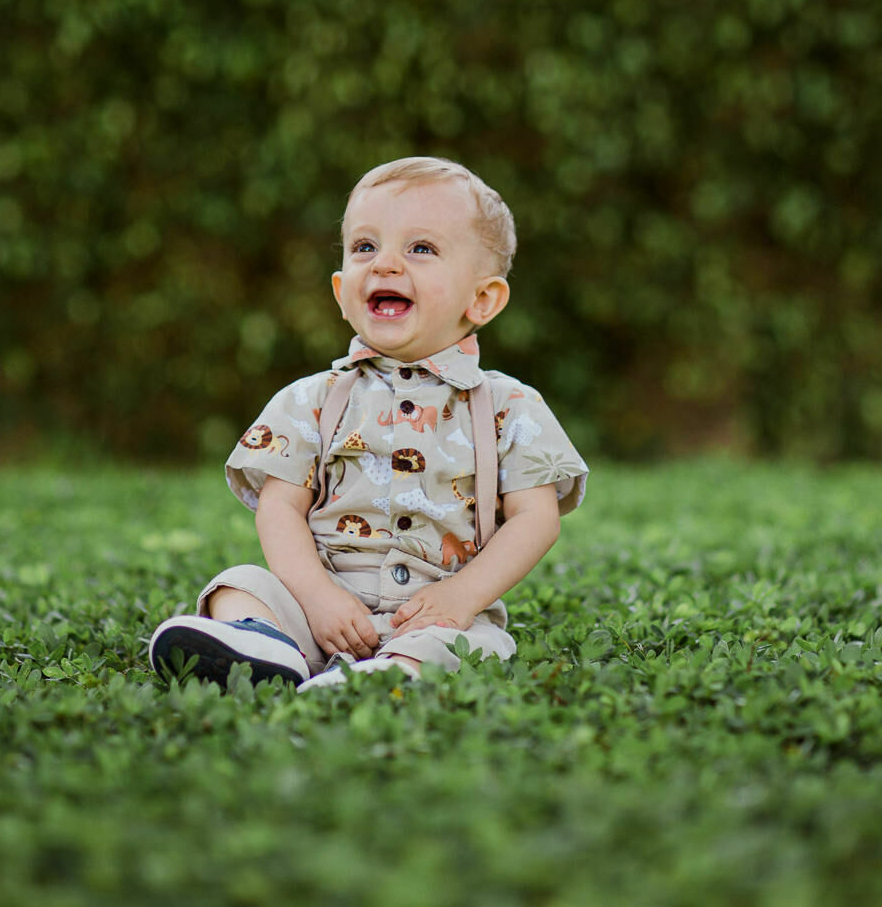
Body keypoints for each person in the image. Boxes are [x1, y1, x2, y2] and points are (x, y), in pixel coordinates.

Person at [149, 156, 588, 689]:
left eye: (420, 249)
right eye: (364, 247)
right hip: (321, 608)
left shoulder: (509, 406)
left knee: (476, 645)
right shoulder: (312, 399)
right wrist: (315, 597)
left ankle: (391, 675)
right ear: (341, 291)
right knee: (237, 584)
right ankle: (267, 643)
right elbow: (280, 506)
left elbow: (535, 519)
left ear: (482, 299)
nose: (384, 264)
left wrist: (462, 597)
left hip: (438, 614)